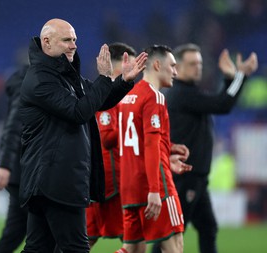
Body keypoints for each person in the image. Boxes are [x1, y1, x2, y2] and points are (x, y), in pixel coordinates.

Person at [19, 18, 147, 253]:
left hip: (52, 179)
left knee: (38, 248)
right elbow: (79, 112)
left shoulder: (64, 76)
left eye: (75, 40)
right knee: (76, 248)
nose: (73, 45)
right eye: (67, 40)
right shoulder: (40, 79)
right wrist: (105, 78)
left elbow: (98, 99)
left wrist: (123, 82)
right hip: (56, 180)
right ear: (46, 42)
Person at [151, 43, 258, 253]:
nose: (198, 67)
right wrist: (240, 76)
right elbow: (223, 105)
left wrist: (229, 78)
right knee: (173, 232)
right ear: (177, 68)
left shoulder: (190, 93)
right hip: (185, 177)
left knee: (207, 228)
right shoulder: (181, 93)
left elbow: (219, 103)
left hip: (196, 177)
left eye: (199, 63)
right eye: (192, 64)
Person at [117, 45, 185, 253]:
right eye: (172, 66)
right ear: (157, 65)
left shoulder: (127, 97)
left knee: (133, 249)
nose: (175, 72)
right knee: (174, 247)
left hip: (129, 187)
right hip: (154, 186)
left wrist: (169, 150)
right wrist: (155, 190)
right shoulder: (154, 97)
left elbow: (133, 141)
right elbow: (149, 144)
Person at [86, 42, 137, 249]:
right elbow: (106, 138)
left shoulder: (121, 95)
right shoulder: (108, 95)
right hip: (110, 183)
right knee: (133, 238)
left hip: (107, 179)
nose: (136, 71)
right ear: (120, 65)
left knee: (86, 238)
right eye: (132, 65)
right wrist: (133, 127)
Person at [0, 63, 29, 253]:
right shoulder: (28, 88)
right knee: (46, 235)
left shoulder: (21, 85)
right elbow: (14, 128)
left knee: (13, 234)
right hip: (27, 174)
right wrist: (4, 165)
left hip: (20, 174)